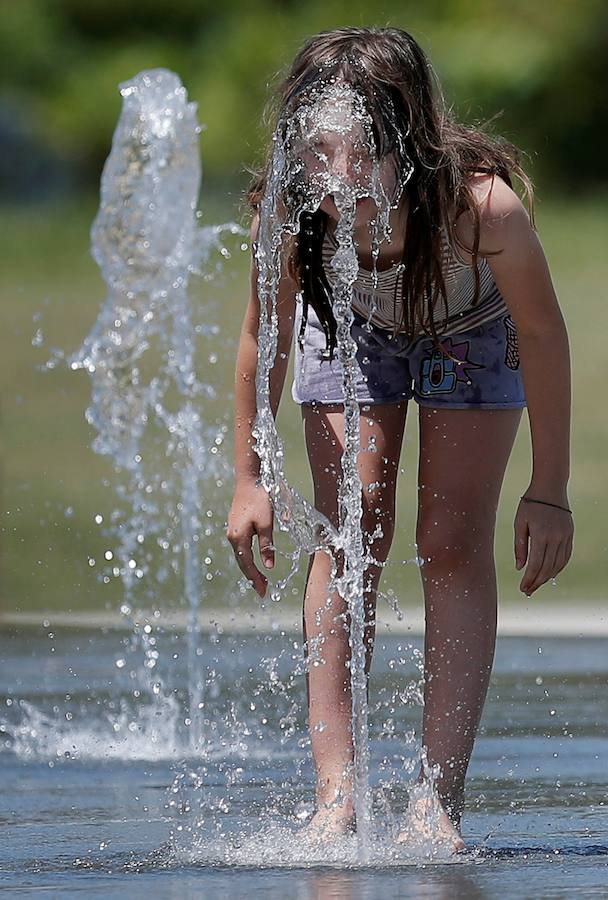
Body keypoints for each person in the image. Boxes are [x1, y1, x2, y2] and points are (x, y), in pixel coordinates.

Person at [226, 26, 574, 852]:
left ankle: (435, 799)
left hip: (473, 328)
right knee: (351, 534)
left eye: (365, 154)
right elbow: (259, 338)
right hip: (351, 326)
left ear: (411, 142)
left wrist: (550, 488)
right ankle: (338, 797)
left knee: (450, 540)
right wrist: (248, 475)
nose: (340, 180)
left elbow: (545, 334)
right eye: (320, 151)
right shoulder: (291, 209)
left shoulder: (480, 208)